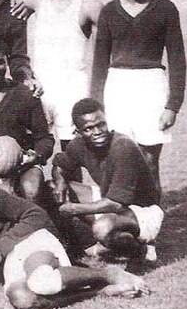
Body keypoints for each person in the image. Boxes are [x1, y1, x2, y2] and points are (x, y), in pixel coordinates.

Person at [0, 154, 149, 309]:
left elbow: (37, 215)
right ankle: (99, 292)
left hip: (29, 244)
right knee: (22, 298)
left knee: (42, 280)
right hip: (11, 265)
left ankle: (108, 274)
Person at [91, 0, 187, 194]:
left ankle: (151, 225)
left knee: (149, 161)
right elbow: (100, 62)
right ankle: (120, 221)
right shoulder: (110, 12)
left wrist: (172, 105)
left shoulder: (166, 9)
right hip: (118, 87)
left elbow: (177, 59)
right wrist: (96, 103)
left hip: (152, 87)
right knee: (117, 159)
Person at [51, 98, 164, 262]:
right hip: (111, 202)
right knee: (50, 187)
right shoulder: (78, 145)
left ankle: (143, 249)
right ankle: (80, 246)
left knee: (102, 228)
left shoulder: (122, 146)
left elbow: (116, 203)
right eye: (89, 129)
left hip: (142, 211)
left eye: (101, 124)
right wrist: (60, 184)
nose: (97, 132)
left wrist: (74, 208)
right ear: (78, 132)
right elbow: (60, 165)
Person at [31, 0, 102, 150]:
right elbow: (5, 23)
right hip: (40, 88)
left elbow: (110, 45)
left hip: (73, 88)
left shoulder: (90, 4)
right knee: (33, 147)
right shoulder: (36, 0)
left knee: (71, 151)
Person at [0, 39, 54, 202]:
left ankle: (34, 223)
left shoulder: (24, 94)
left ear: (7, 61)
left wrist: (35, 156)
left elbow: (44, 138)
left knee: (31, 190)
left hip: (23, 164)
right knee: (1, 198)